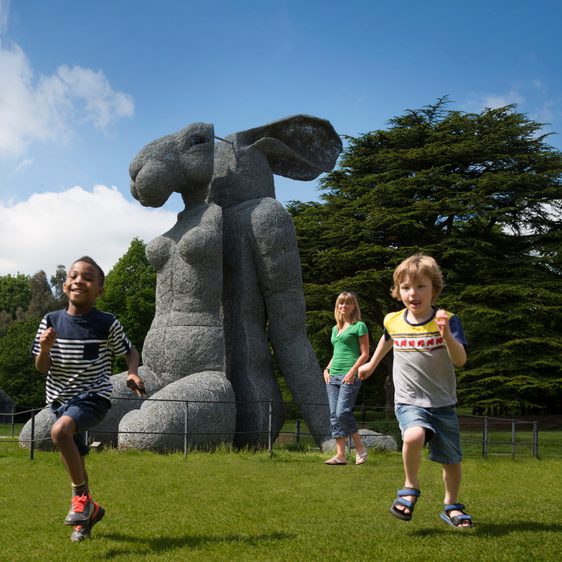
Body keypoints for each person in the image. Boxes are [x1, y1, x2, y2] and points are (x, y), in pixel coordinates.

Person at [32, 256, 145, 542]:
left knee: (60, 432)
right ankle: (87, 515)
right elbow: (42, 368)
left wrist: (132, 373)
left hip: (93, 398)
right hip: (59, 402)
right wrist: (45, 349)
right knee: (76, 461)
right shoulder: (50, 321)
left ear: (100, 291)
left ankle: (80, 498)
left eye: (88, 277)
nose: (79, 280)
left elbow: (129, 351)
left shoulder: (107, 323)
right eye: (73, 275)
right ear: (65, 284)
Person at [359, 255, 474, 528]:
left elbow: (460, 360)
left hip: (443, 403)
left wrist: (445, 335)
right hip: (409, 400)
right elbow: (388, 339)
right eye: (407, 287)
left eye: (421, 286)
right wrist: (372, 364)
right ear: (398, 292)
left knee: (451, 461)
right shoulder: (393, 320)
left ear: (434, 288)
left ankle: (452, 505)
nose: (414, 293)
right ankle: (410, 487)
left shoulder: (448, 320)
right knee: (413, 435)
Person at [323, 291, 369, 465]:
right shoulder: (336, 329)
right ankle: (340, 455)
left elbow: (365, 354)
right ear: (337, 307)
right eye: (341, 303)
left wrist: (352, 371)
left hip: (349, 376)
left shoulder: (359, 326)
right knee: (334, 415)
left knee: (343, 412)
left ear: (353, 306)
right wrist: (326, 369)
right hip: (332, 376)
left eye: (347, 303)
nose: (343, 306)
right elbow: (336, 353)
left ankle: (360, 448)